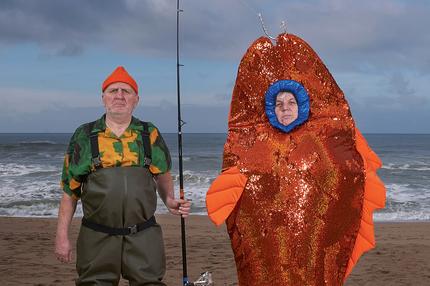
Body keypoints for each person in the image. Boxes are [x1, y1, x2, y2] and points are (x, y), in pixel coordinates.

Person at [55, 66, 190, 285]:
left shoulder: (149, 133)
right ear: (103, 98)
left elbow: (163, 175)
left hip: (143, 236)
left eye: (126, 91)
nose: (119, 95)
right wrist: (62, 237)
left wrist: (169, 200)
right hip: (96, 236)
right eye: (113, 90)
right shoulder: (84, 135)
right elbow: (69, 192)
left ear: (136, 99)